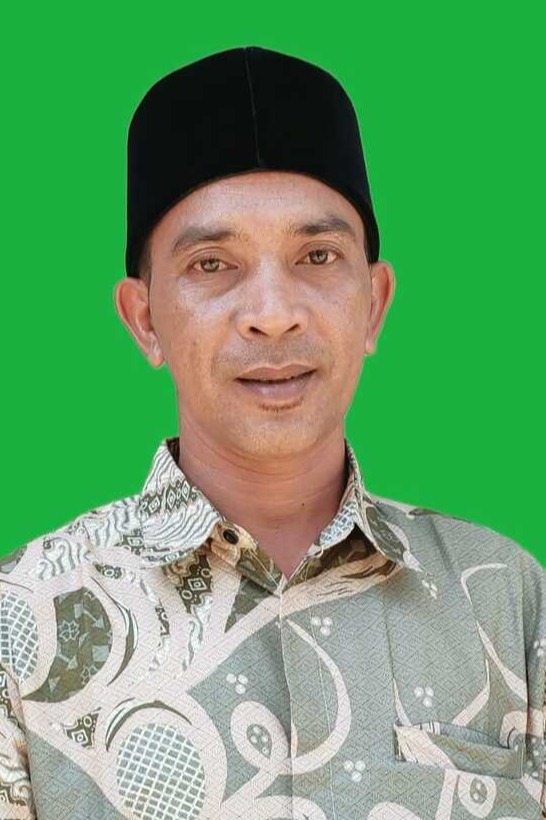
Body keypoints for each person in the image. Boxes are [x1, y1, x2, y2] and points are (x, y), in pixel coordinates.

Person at [0, 46, 543, 820]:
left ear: (374, 304)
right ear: (144, 319)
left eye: (317, 255)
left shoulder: (509, 601)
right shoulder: (23, 621)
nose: (273, 312)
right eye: (212, 264)